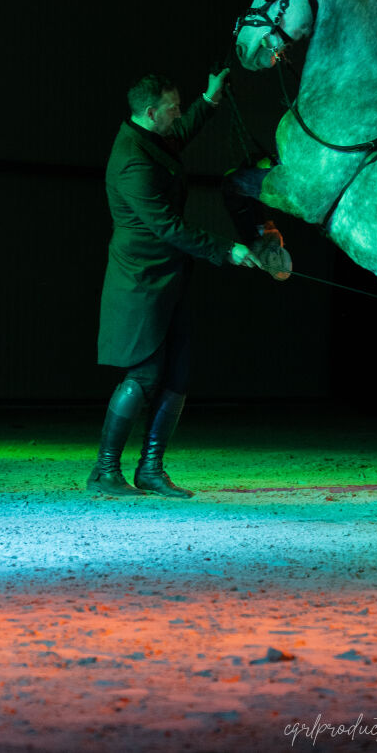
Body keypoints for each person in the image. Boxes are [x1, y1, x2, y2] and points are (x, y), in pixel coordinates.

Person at [89, 70, 285, 499]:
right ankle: (105, 471)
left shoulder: (152, 138)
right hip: (140, 279)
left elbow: (181, 134)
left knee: (176, 375)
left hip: (168, 275)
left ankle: (151, 470)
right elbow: (167, 226)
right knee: (143, 374)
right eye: (173, 109)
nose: (178, 115)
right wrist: (226, 249)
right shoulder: (132, 159)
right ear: (151, 112)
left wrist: (210, 100)